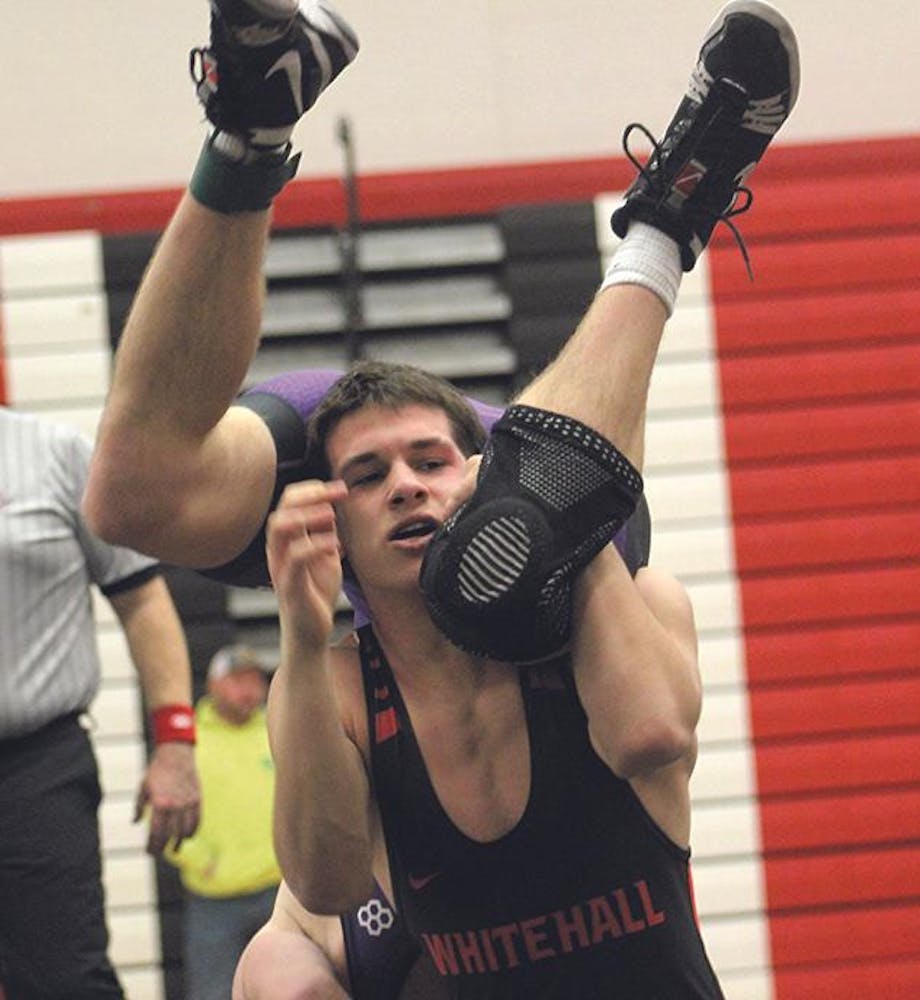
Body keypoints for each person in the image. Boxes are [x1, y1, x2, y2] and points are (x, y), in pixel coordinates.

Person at [82, 0, 800, 994]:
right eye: (372, 480)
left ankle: (668, 216)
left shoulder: (600, 579)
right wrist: (299, 631)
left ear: (463, 468)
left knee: (516, 549)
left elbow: (650, 733)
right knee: (124, 499)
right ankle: (251, 123)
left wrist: (556, 515)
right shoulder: (340, 680)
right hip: (432, 463)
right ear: (332, 512)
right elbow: (323, 882)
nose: (404, 487)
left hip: (540, 476)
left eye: (425, 468)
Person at [0, 406, 201, 999]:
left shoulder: (54, 454)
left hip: (35, 770)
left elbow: (142, 601)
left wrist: (176, 742)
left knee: (65, 981)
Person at [164, 644, 281, 1000]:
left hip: (279, 892)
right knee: (212, 993)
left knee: (289, 988)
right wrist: (203, 862)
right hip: (214, 900)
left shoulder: (279, 731)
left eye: (255, 680)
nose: (249, 690)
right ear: (213, 685)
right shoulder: (187, 744)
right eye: (237, 681)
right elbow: (163, 815)